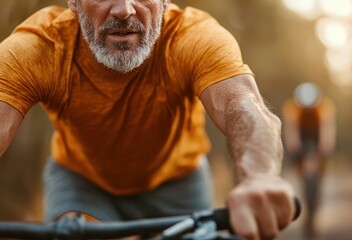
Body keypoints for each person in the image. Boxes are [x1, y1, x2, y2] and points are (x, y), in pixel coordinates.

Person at [0, 0, 298, 239]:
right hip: (83, 182)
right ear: (74, 2)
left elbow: (243, 106)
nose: (124, 9)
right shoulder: (40, 47)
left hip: (178, 181)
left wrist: (258, 176)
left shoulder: (192, 37)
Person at [282, 82, 336, 237]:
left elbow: (327, 129)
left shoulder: (324, 107)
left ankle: (316, 199)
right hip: (302, 137)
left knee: (321, 172)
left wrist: (325, 147)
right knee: (300, 168)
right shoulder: (292, 108)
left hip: (317, 135)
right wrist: (295, 147)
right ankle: (304, 186)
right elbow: (291, 130)